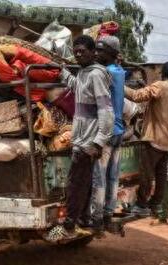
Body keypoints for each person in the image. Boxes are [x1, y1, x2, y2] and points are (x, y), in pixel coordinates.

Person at [45, 35, 114, 241]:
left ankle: (69, 224)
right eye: (76, 52)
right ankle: (82, 219)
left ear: (93, 52)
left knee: (76, 183)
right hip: (81, 138)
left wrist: (99, 141)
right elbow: (77, 87)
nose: (78, 55)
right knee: (83, 182)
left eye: (82, 51)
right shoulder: (84, 73)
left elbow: (106, 110)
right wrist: (62, 71)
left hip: (89, 140)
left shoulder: (96, 75)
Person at [125, 62, 168, 216]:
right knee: (160, 174)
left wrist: (118, 85)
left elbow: (137, 96)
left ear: (163, 74)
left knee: (146, 173)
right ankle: (156, 204)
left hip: (155, 138)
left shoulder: (161, 86)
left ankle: (141, 204)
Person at [90, 35, 125, 233]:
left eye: (100, 50)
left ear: (111, 53)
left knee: (99, 177)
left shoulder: (105, 73)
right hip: (119, 131)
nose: (96, 53)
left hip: (107, 132)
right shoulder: (119, 71)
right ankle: (109, 213)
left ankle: (97, 217)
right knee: (113, 176)